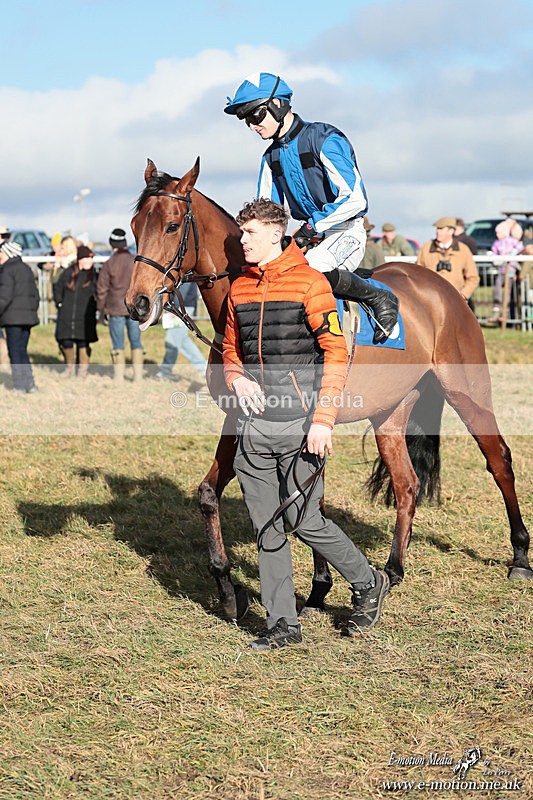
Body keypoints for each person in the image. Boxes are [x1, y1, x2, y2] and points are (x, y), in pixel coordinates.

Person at [223, 198, 389, 651]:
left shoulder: (310, 285)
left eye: (249, 234)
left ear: (275, 235)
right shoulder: (238, 287)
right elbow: (230, 348)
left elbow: (336, 352)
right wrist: (235, 378)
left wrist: (323, 420)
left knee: (301, 517)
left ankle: (368, 580)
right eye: (242, 233)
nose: (242, 242)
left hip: (301, 424)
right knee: (265, 525)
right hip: (254, 428)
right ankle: (283, 624)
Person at [224, 72, 398, 344]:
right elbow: (265, 211)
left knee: (308, 272)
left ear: (278, 105)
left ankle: (378, 296)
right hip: (308, 235)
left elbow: (355, 199)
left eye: (255, 116)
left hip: (346, 230)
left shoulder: (324, 139)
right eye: (246, 120)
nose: (252, 126)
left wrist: (311, 226)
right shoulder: (270, 157)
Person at [96, 227, 144, 382]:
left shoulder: (109, 264)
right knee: (136, 342)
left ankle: (118, 377)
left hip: (115, 308)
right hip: (134, 309)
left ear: (112, 244)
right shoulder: (135, 261)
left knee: (118, 343)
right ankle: (138, 377)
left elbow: (102, 290)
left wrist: (100, 311)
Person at [0, 241, 39, 393]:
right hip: (27, 318)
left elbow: (4, 297)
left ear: (8, 254)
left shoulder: (7, 270)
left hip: (12, 318)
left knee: (15, 352)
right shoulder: (26, 269)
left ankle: (19, 385)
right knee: (22, 351)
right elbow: (36, 295)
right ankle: (30, 383)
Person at [53, 245, 98, 378]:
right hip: (67, 314)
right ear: (80, 259)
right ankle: (69, 368)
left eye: (91, 259)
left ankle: (82, 371)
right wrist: (59, 302)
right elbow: (58, 288)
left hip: (85, 316)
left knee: (83, 342)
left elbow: (99, 293)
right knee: (65, 340)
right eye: (87, 259)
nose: (90, 262)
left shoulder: (94, 276)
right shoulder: (68, 273)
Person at [155, 282, 208, 389]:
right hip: (182, 307)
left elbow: (182, 290)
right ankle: (205, 368)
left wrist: (174, 307)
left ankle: (165, 372)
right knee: (182, 340)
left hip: (181, 308)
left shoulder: (185, 269)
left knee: (172, 341)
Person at [416, 217, 479, 301]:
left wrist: (463, 295)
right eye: (437, 229)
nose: (437, 231)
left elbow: (473, 277)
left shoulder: (463, 250)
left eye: (441, 229)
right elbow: (417, 274)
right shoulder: (425, 248)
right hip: (430, 300)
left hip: (456, 301)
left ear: (451, 231)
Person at [488, 219, 524, 324]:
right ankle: (496, 308)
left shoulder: (512, 241)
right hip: (501, 270)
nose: (497, 234)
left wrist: (514, 252)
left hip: (511, 270)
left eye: (499, 232)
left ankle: (505, 311)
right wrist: (493, 257)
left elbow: (520, 247)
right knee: (497, 288)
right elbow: (494, 252)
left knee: (508, 291)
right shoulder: (496, 243)